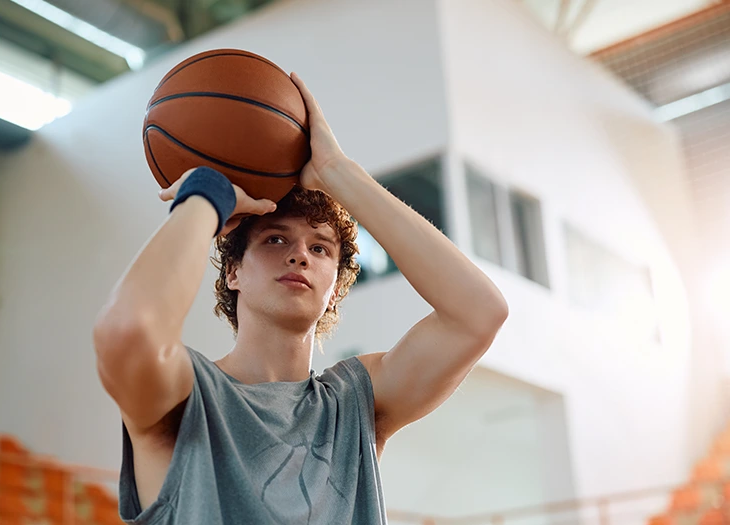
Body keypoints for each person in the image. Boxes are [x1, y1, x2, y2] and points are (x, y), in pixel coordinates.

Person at [93, 72, 509, 525]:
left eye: (320, 248)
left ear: (335, 287)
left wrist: (338, 172)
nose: (299, 256)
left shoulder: (354, 405)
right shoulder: (186, 396)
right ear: (233, 271)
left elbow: (480, 313)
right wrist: (205, 197)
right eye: (275, 240)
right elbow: (127, 330)